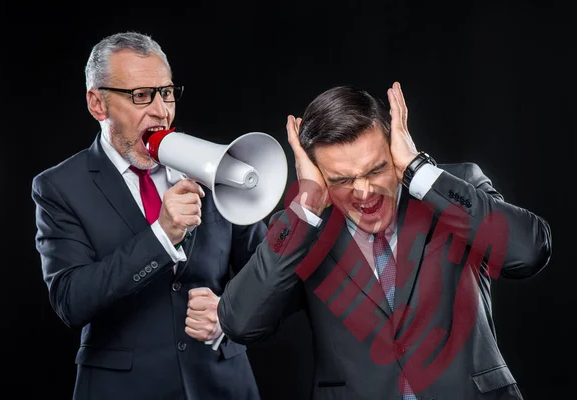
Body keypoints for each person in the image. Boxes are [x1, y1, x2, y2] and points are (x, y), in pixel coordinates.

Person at [217, 82, 552, 399]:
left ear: (394, 148)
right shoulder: (303, 229)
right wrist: (305, 207)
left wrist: (417, 170)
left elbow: (528, 252)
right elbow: (240, 323)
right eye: (342, 179)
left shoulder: (456, 186)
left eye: (376, 170)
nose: (364, 192)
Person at [31, 31, 265, 399]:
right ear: (98, 104)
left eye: (167, 93)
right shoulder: (59, 188)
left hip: (222, 385)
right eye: (141, 95)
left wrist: (229, 314)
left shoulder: (209, 162)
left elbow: (267, 271)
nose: (161, 111)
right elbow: (71, 300)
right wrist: (161, 235)